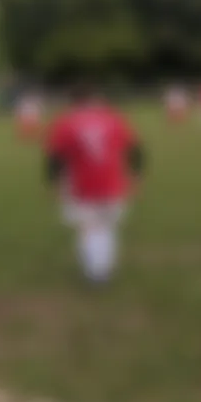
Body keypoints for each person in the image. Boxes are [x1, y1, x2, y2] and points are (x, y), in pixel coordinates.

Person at [45, 92, 144, 286]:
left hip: (81, 185)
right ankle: (104, 267)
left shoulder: (66, 122)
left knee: (89, 229)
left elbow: (55, 157)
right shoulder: (114, 118)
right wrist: (137, 175)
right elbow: (136, 150)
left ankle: (96, 272)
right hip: (113, 183)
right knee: (106, 227)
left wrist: (53, 181)